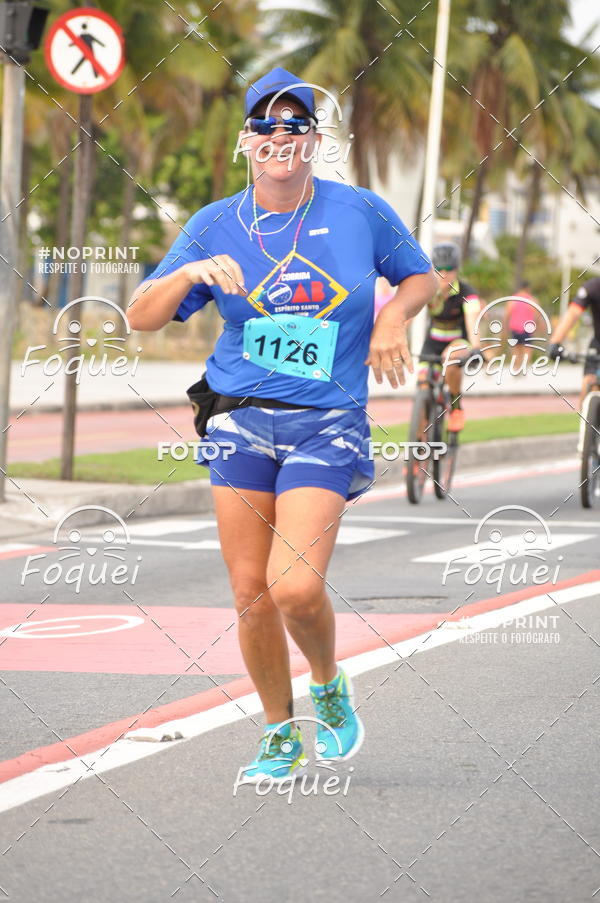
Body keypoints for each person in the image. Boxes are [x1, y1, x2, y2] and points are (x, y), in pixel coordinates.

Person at [127, 67, 436, 781]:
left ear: (315, 139)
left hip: (326, 420)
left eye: (294, 125)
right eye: (265, 126)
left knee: (293, 586)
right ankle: (277, 731)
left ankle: (326, 682)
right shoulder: (215, 223)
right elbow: (141, 315)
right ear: (246, 141)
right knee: (250, 591)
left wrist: (393, 317)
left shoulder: (360, 211)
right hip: (238, 418)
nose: (279, 137)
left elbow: (421, 276)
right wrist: (191, 272)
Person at [417, 242, 481, 432]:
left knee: (451, 360)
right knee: (423, 385)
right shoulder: (426, 288)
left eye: (450, 269)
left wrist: (476, 348)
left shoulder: (467, 292)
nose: (444, 274)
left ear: (457, 269)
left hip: (457, 342)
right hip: (432, 343)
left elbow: (473, 319)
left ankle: (456, 407)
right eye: (440, 269)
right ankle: (418, 441)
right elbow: (409, 313)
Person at [549, 275, 600, 405]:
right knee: (589, 382)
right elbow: (573, 313)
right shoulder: (593, 287)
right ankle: (585, 413)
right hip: (598, 344)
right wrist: (555, 342)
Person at [502, 280, 544, 371]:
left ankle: (516, 367)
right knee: (527, 350)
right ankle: (523, 367)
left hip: (514, 328)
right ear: (528, 288)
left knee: (516, 350)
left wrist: (505, 328)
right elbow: (537, 315)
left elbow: (506, 315)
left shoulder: (512, 300)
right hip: (527, 329)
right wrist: (540, 326)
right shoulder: (532, 300)